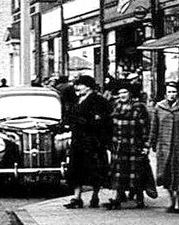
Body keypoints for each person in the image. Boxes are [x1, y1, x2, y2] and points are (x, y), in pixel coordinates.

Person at [64, 75, 111, 209]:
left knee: (94, 169)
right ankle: (76, 197)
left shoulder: (99, 101)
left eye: (80, 85)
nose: (77, 88)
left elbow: (101, 121)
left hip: (93, 141)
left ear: (88, 87)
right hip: (78, 140)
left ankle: (94, 195)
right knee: (76, 168)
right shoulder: (77, 99)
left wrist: (83, 122)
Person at [149, 81, 179, 213]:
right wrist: (152, 142)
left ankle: (178, 201)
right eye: (169, 92)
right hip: (163, 146)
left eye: (174, 92)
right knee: (165, 174)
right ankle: (171, 200)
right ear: (165, 94)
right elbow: (154, 127)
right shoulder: (159, 107)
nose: (171, 95)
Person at [104, 85, 150, 210]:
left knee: (136, 173)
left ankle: (139, 199)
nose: (122, 95)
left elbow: (145, 127)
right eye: (120, 92)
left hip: (134, 144)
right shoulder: (114, 106)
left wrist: (146, 145)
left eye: (124, 92)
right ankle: (118, 198)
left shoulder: (138, 107)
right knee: (118, 173)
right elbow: (110, 127)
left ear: (130, 93)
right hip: (118, 145)